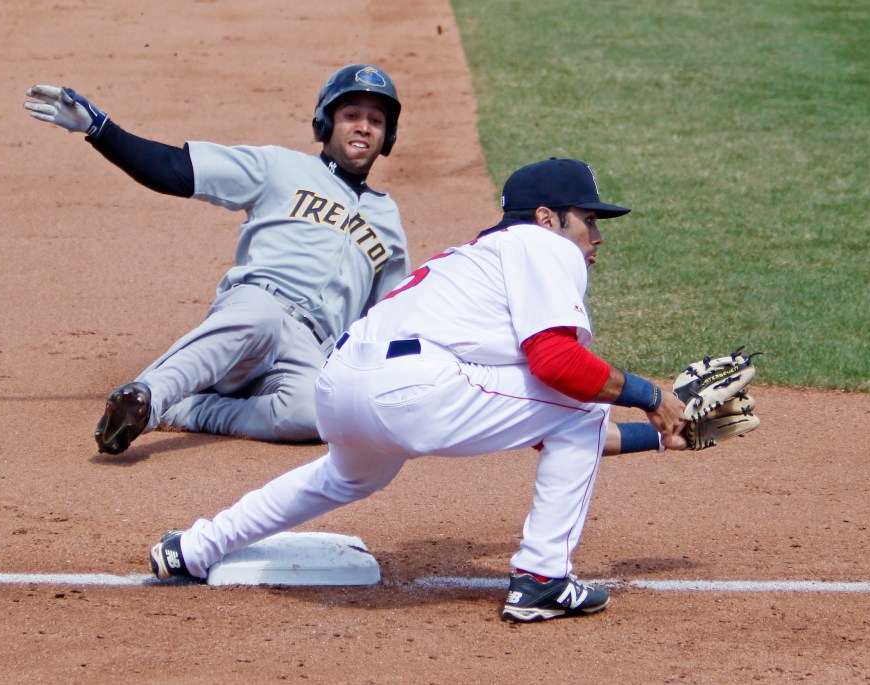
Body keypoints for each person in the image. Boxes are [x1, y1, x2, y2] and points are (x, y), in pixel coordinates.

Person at [148, 158, 687, 623]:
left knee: (341, 477)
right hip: (411, 389)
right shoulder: (543, 247)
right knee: (582, 400)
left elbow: (542, 425)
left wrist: (663, 438)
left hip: (338, 386)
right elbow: (559, 367)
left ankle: (194, 548)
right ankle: (544, 578)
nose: (596, 237)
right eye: (588, 220)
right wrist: (652, 396)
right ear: (547, 218)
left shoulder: (475, 261)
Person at [23, 65, 410, 454]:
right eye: (351, 116)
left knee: (315, 416)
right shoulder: (280, 167)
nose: (363, 127)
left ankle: (185, 410)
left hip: (309, 350)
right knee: (259, 316)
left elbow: (388, 321)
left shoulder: (388, 220)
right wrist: (101, 130)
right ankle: (150, 396)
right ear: (327, 122)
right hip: (257, 308)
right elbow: (175, 170)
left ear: (387, 135)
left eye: (376, 120)